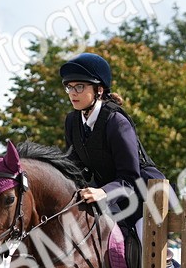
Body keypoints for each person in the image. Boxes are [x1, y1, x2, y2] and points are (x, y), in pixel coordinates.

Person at [59, 52, 167, 247]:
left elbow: (129, 178)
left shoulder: (116, 122)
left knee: (147, 246)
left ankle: (166, 267)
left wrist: (103, 192)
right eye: (69, 87)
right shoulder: (72, 121)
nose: (73, 93)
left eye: (80, 87)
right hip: (107, 195)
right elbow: (74, 167)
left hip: (143, 196)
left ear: (99, 90)